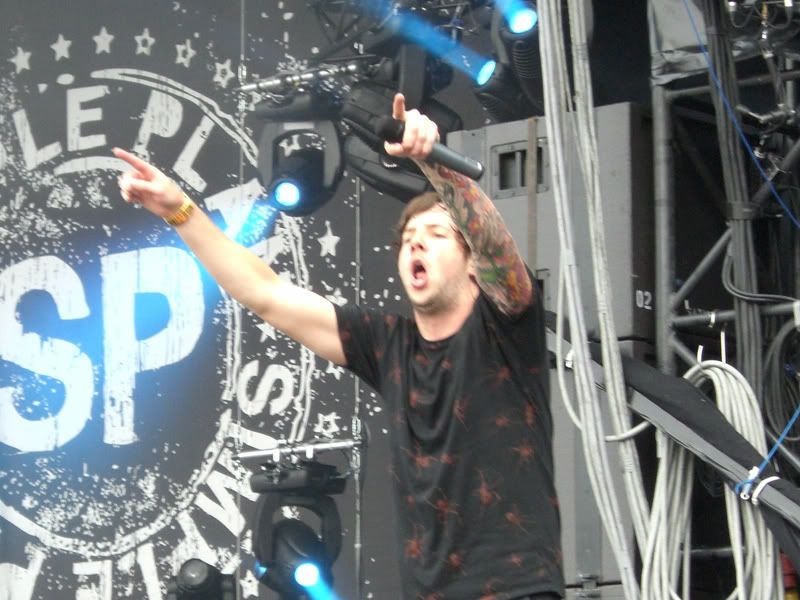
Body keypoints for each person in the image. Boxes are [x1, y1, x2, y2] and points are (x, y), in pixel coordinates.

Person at [115, 93, 565, 600]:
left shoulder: (504, 324)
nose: (415, 243)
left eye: (436, 234)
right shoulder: (389, 345)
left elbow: (496, 249)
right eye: (407, 238)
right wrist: (180, 211)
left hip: (518, 590)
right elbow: (265, 293)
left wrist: (435, 164)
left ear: (469, 264)